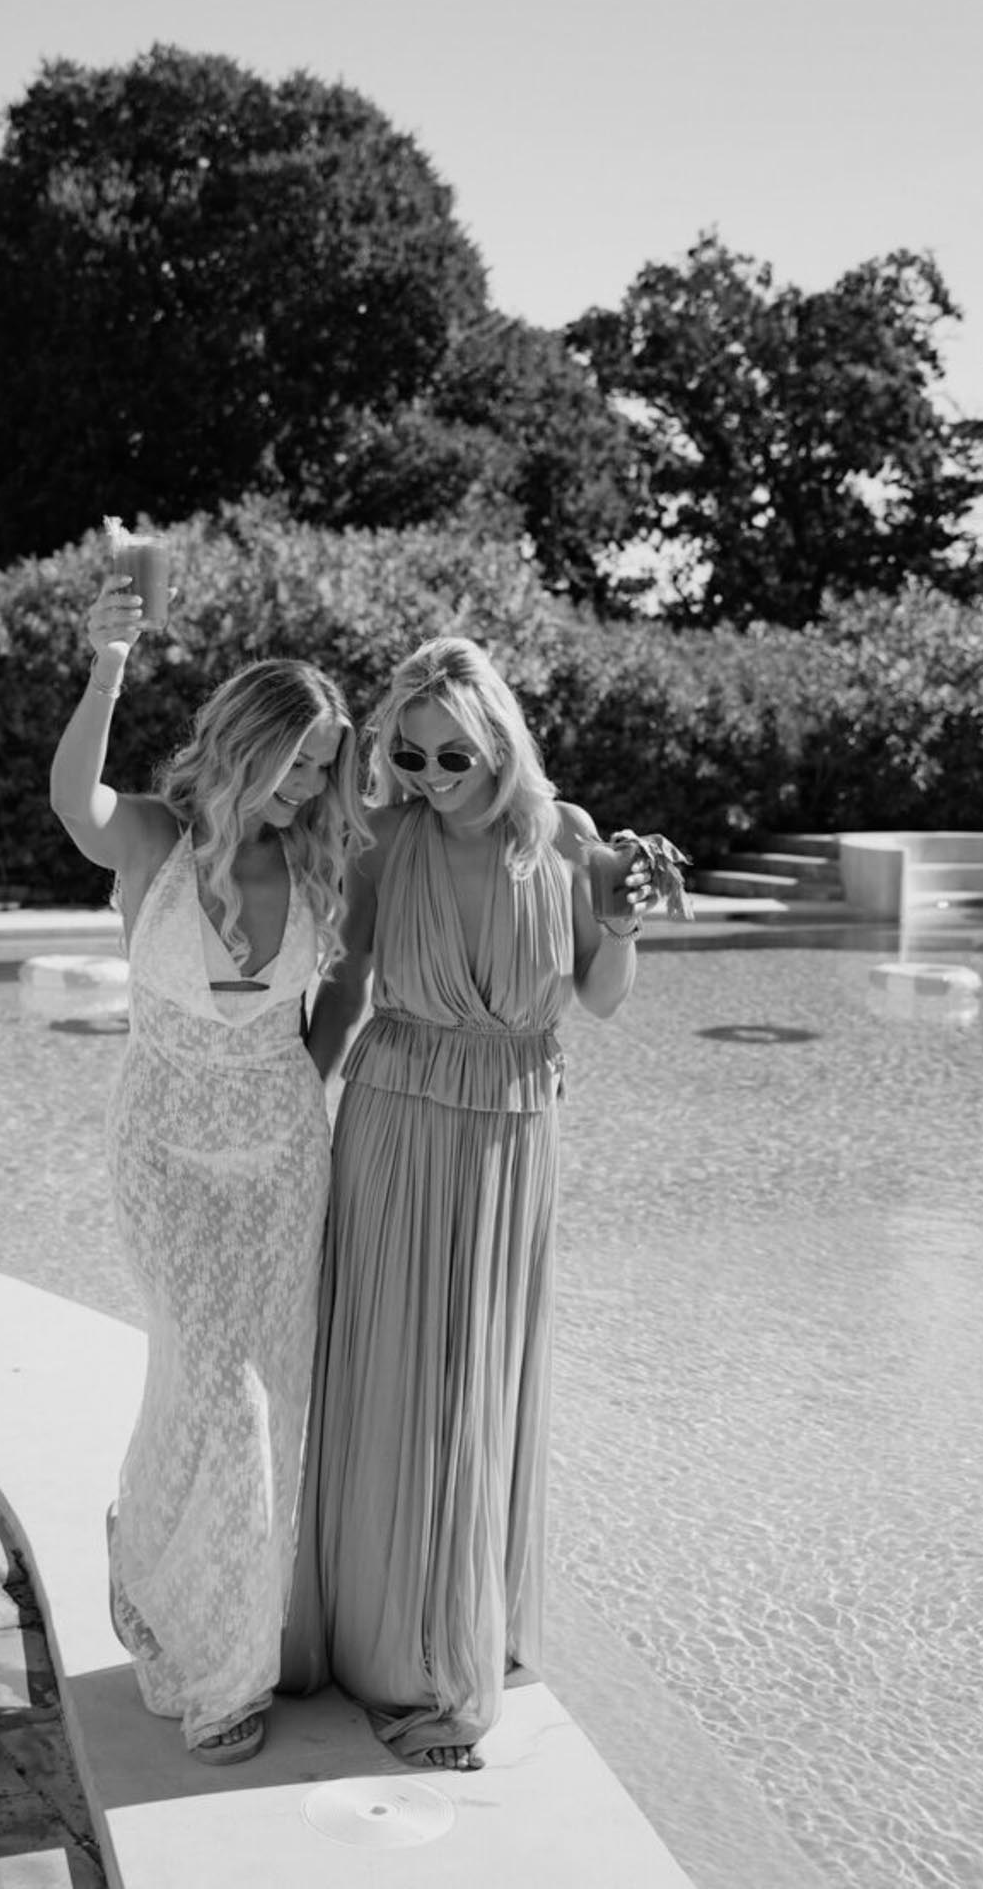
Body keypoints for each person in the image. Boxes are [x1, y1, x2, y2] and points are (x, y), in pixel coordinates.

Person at [281, 635, 651, 1770]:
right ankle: (398, 1652)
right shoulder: (385, 838)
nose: (430, 776)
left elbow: (600, 996)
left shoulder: (568, 837)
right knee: (399, 1373)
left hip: (516, 1124)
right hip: (394, 1116)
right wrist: (287, 1112)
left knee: (480, 1375)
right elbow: (344, 986)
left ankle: (459, 1626)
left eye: (452, 756)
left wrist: (623, 924)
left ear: (499, 744)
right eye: (408, 754)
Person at [50, 574, 367, 1767]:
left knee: (267, 1391)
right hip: (166, 1148)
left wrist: (290, 1094)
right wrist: (107, 665)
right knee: (211, 1380)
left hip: (281, 1154)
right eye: (296, 762)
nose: (308, 786)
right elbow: (74, 801)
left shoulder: (321, 859)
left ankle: (214, 1629)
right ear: (246, 741)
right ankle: (198, 1646)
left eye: (323, 768)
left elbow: (344, 997)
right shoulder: (152, 840)